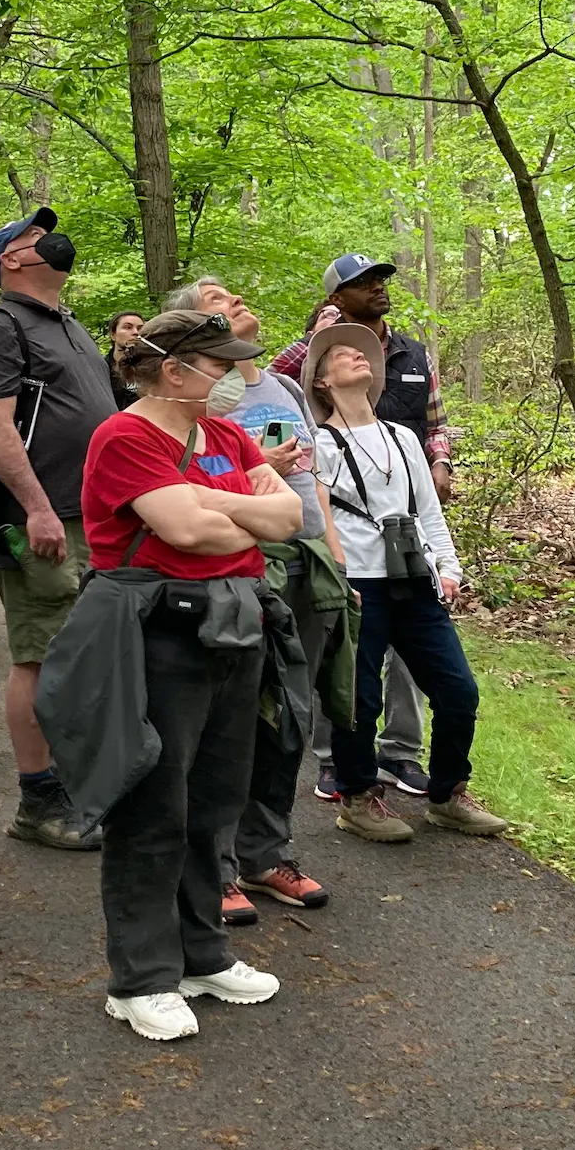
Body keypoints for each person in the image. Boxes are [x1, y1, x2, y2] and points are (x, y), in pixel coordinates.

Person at [35, 309, 305, 1041]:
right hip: (156, 633)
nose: (232, 377)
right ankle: (141, 978)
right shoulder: (123, 436)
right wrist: (242, 510)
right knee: (153, 801)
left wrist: (216, 504)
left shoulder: (224, 433)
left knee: (216, 797)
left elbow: (289, 519)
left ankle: (200, 954)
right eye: (218, 364)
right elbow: (186, 532)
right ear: (174, 369)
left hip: (235, 624)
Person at [168, 277, 348, 920]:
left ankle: (264, 853)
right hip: (236, 568)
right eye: (219, 301)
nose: (240, 301)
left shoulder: (281, 387)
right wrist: (258, 468)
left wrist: (331, 545)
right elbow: (187, 487)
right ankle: (212, 867)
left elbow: (311, 474)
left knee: (290, 715)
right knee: (229, 719)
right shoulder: (194, 397)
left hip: (303, 562)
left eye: (238, 296)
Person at [307, 323, 509, 842]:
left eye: (362, 352)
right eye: (341, 354)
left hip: (414, 579)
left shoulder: (402, 438)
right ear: (323, 382)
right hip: (358, 585)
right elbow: (312, 517)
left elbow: (428, 510)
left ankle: (447, 794)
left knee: (457, 689)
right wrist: (335, 578)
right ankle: (356, 797)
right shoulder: (316, 446)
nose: (357, 355)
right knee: (358, 697)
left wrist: (448, 567)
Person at [0, 208, 119, 849]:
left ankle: (84, 786)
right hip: (46, 520)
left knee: (84, 658)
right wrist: (37, 508)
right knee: (42, 654)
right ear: (13, 260)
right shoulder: (0, 327)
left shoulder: (70, 328)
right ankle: (39, 802)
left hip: (98, 517)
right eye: (32, 236)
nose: (48, 240)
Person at [273, 256, 451, 800]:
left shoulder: (413, 354)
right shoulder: (315, 351)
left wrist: (440, 461)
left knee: (411, 655)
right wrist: (315, 340)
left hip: (408, 515)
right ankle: (337, 760)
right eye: (363, 283)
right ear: (336, 297)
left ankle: (400, 753)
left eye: (381, 281)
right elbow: (270, 395)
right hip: (348, 529)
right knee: (351, 654)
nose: (377, 288)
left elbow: (436, 421)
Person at [102, 312, 147, 410]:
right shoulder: (101, 368)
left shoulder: (152, 367)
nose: (136, 332)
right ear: (113, 335)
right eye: (128, 327)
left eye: (140, 328)